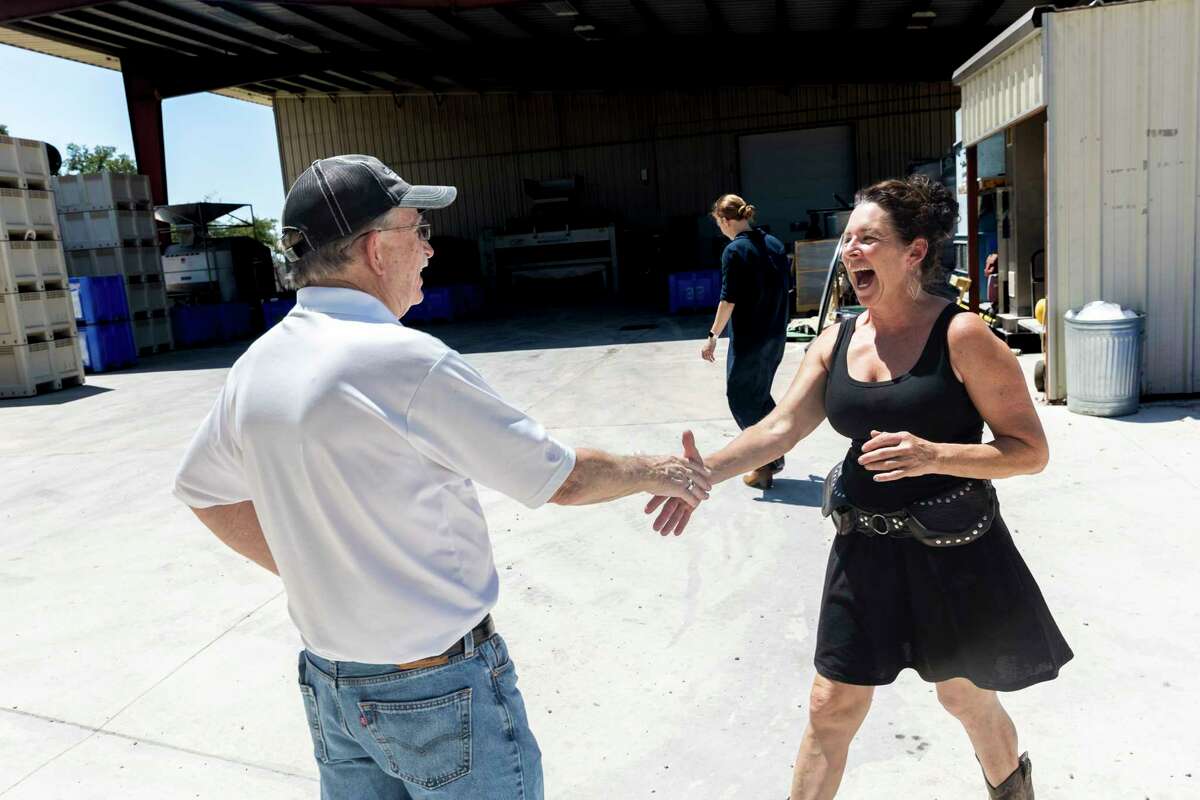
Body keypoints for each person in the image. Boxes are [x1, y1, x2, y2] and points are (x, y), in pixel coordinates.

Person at [172, 155, 711, 800]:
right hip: (435, 687)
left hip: (332, 683)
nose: (429, 249)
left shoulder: (258, 365)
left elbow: (205, 492)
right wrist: (656, 470)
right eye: (418, 229)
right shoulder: (404, 362)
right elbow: (560, 479)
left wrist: (321, 572)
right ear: (375, 249)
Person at [650, 175, 1071, 800]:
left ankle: (1013, 791)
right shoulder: (836, 340)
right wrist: (700, 472)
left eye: (868, 239)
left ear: (915, 251)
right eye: (848, 239)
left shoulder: (962, 336)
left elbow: (1029, 452)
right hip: (864, 548)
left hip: (953, 550)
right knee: (831, 706)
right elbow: (780, 428)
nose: (850, 251)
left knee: (963, 696)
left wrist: (934, 455)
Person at [701, 194, 791, 489]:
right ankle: (775, 450)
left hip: (751, 339)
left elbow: (728, 299)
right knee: (759, 395)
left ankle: (765, 462)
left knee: (741, 398)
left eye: (719, 223)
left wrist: (712, 336)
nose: (720, 229)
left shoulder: (734, 251)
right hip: (775, 335)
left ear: (725, 220)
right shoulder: (775, 244)